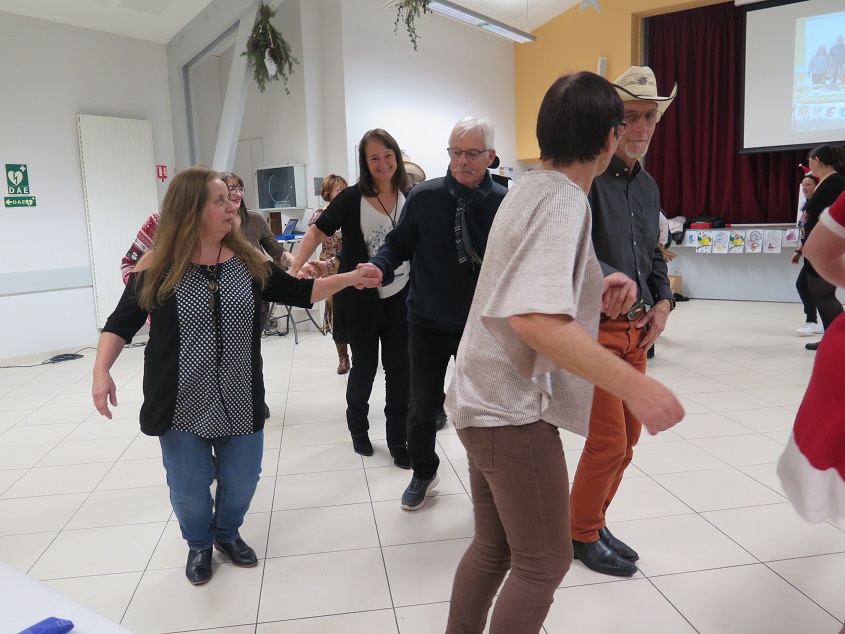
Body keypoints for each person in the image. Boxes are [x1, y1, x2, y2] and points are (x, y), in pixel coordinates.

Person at [443, 72, 683, 634]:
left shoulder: (529, 187)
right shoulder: (564, 201)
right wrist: (636, 386)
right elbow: (534, 319)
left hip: (478, 397)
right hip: (509, 411)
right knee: (544, 564)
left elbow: (523, 283)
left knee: (494, 549)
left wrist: (597, 284)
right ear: (609, 137)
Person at [92, 166, 379, 586]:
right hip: (178, 400)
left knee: (243, 478)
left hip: (241, 395)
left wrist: (351, 278)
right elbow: (120, 323)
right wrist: (101, 370)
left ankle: (226, 533)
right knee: (189, 487)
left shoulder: (247, 259)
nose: (232, 206)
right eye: (220, 201)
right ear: (192, 209)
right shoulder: (156, 266)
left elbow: (299, 293)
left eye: (231, 198)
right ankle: (199, 543)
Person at [360, 117, 508, 511]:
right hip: (426, 322)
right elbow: (398, 245)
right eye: (455, 152)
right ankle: (424, 472)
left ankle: (491, 480)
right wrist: (380, 266)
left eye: (472, 154)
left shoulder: (503, 202)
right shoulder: (424, 197)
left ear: (491, 156)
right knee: (421, 410)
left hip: (480, 327)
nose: (462, 161)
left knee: (484, 410)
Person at [569, 65, 678, 578]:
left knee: (628, 441)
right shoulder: (587, 179)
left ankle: (594, 521)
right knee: (609, 441)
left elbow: (652, 253)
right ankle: (580, 533)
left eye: (649, 117)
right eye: (631, 117)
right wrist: (609, 277)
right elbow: (576, 250)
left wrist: (663, 301)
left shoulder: (647, 185)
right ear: (612, 122)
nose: (641, 128)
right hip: (597, 332)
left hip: (638, 333)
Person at [289, 129, 412, 468]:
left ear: (397, 156)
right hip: (359, 298)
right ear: (364, 162)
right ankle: (358, 428)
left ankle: (398, 438)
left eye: (388, 155)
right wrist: (294, 268)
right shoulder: (351, 197)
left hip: (401, 296)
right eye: (374, 158)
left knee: (400, 369)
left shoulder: (409, 195)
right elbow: (316, 232)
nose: (383, 163)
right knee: (365, 367)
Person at [798, 144, 845, 351]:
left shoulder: (835, 182)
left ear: (816, 160)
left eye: (809, 160)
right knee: (817, 291)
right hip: (818, 249)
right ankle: (831, 338)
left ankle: (838, 338)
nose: (808, 163)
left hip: (826, 249)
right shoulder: (825, 182)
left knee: (823, 293)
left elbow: (835, 215)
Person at [308, 174, 351, 374]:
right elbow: (313, 236)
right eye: (337, 190)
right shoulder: (321, 215)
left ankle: (359, 353)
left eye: (344, 189)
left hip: (350, 265)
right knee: (336, 314)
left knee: (353, 311)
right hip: (329, 268)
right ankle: (343, 356)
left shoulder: (352, 211)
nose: (342, 192)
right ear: (328, 193)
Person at [793, 174, 823, 336]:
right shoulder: (807, 207)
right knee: (808, 286)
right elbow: (806, 234)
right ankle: (817, 322)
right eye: (803, 185)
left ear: (817, 187)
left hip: (819, 254)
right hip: (809, 254)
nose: (804, 188)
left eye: (808, 185)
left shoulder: (819, 208)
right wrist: (798, 251)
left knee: (805, 285)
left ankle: (813, 321)